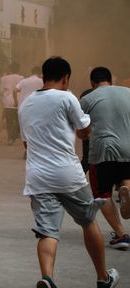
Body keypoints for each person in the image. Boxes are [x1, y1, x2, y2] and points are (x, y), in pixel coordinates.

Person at [19, 56, 119, 288]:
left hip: (38, 177)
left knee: (48, 232)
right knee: (88, 221)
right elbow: (84, 131)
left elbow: (27, 144)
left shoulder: (26, 104)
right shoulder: (67, 97)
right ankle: (103, 278)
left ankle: (47, 278)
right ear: (66, 78)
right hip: (68, 175)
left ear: (44, 76)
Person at [80, 66, 130, 250]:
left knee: (102, 193)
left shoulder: (88, 98)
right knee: (126, 178)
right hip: (129, 147)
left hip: (103, 151)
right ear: (111, 80)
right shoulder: (128, 92)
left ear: (92, 83)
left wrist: (84, 135)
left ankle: (121, 235)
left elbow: (81, 128)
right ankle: (127, 190)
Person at [1, 62, 24, 145]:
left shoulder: (4, 78)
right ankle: (15, 135)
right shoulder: (22, 78)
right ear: (19, 69)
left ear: (10, 69)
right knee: (18, 121)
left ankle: (10, 138)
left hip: (7, 102)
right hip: (19, 102)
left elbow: (1, 91)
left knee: (9, 121)